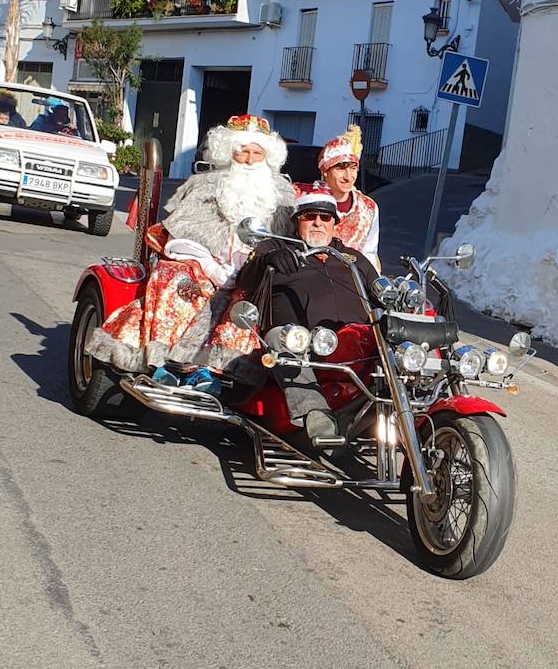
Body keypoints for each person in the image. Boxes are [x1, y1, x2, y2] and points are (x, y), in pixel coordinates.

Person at [87, 114, 295, 373]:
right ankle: (161, 360)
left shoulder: (283, 197)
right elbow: (181, 237)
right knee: (176, 279)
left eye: (257, 153)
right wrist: (211, 267)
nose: (250, 160)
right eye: (243, 152)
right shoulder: (206, 186)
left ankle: (223, 369)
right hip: (202, 268)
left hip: (255, 274)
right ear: (229, 153)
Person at [234, 187, 381, 441]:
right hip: (302, 342)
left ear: (335, 224)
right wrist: (268, 259)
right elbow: (246, 279)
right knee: (281, 338)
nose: (317, 223)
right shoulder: (278, 248)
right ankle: (316, 413)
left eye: (325, 218)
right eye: (309, 216)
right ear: (296, 221)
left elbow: (381, 294)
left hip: (354, 341)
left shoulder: (352, 258)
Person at [298, 125, 381, 270]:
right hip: (308, 277)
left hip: (351, 282)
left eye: (353, 168)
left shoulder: (368, 207)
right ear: (325, 171)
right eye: (340, 168)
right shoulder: (303, 198)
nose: (348, 177)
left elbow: (370, 253)